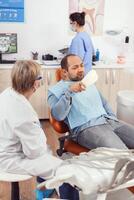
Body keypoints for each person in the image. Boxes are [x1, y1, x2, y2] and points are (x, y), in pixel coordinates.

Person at [48, 54, 134, 150]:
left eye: (81, 65)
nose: (80, 69)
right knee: (122, 152)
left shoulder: (87, 82)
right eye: (75, 67)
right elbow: (58, 115)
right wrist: (69, 92)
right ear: (64, 72)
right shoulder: (55, 91)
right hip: (87, 128)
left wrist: (113, 118)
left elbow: (104, 102)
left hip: (109, 121)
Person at [0, 60, 62, 179]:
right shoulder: (23, 112)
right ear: (35, 83)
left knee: (46, 154)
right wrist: (41, 138)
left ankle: (45, 189)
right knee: (63, 169)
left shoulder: (6, 94)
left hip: (5, 148)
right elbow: (35, 152)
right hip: (10, 160)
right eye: (40, 77)